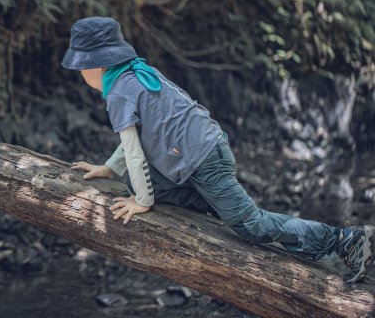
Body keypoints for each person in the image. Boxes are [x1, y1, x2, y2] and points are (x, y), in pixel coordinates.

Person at [62, 16, 374, 284]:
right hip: (191, 155)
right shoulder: (131, 74)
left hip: (205, 158)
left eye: (82, 67)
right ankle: (214, 207)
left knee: (250, 224)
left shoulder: (119, 91)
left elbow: (134, 151)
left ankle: (347, 241)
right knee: (134, 182)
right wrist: (110, 169)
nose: (81, 73)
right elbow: (134, 141)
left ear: (98, 66)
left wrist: (142, 202)